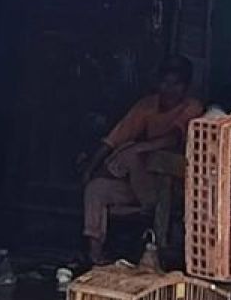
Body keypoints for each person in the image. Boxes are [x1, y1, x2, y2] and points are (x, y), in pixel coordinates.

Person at [80, 56, 204, 264]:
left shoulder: (193, 107)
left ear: (185, 87)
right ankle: (96, 255)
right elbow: (114, 139)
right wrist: (90, 169)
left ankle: (145, 202)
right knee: (96, 188)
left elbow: (174, 136)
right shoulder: (147, 105)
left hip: (172, 187)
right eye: (165, 82)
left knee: (132, 152)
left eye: (176, 84)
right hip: (140, 186)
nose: (169, 89)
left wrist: (141, 147)